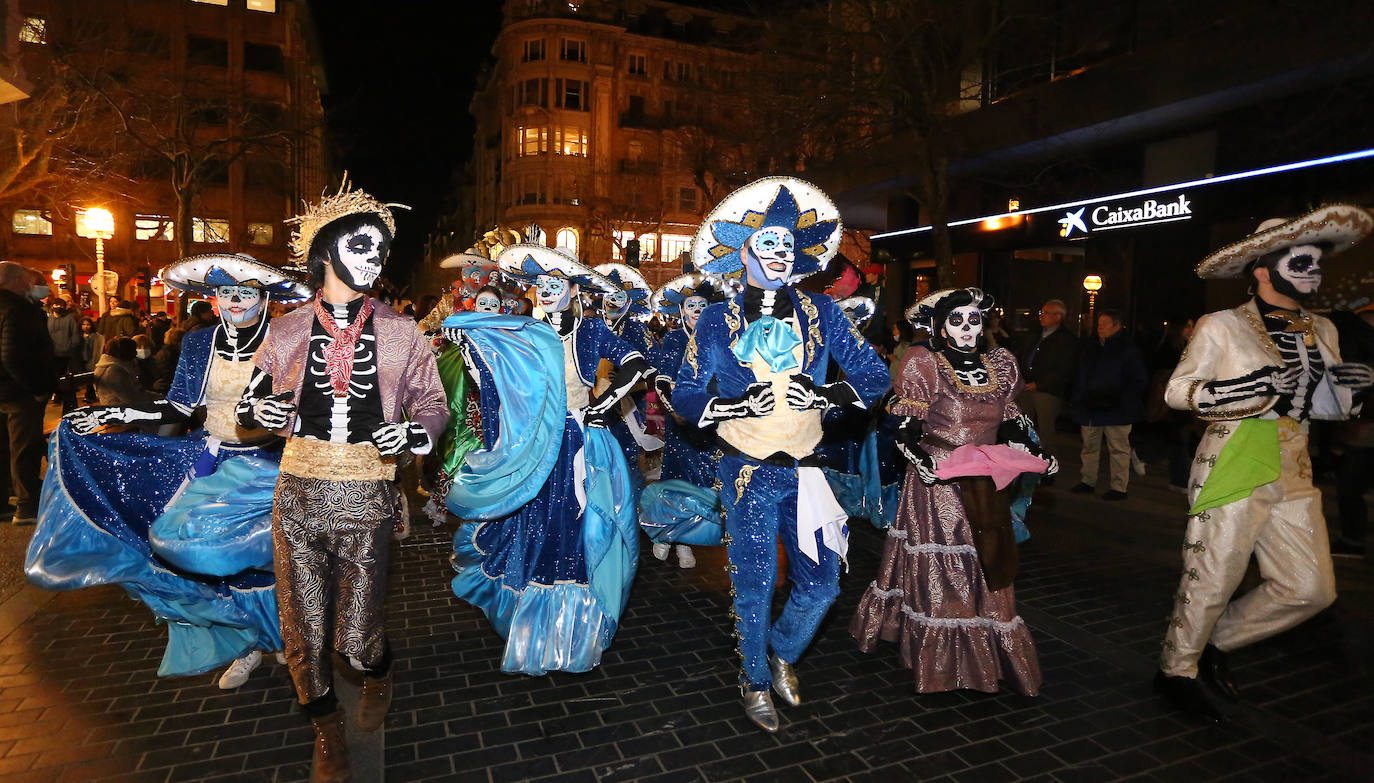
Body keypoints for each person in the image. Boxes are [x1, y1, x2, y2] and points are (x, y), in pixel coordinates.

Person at [236, 183, 447, 781]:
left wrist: (416, 433)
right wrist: (258, 413)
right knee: (302, 630)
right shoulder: (286, 331)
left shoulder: (402, 332)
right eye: (361, 245)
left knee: (355, 637)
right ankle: (326, 730)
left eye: (381, 250)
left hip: (366, 492)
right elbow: (249, 407)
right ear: (325, 251)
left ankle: (379, 672)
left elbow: (433, 403)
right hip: (298, 491)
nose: (375, 258)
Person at [30, 252, 313, 692]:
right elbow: (179, 407)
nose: (235, 301)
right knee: (207, 558)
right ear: (213, 298)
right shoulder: (200, 343)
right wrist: (115, 414)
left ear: (264, 298)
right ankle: (246, 642)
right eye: (225, 292)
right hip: (212, 461)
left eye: (245, 292)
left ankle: (281, 633)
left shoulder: (288, 340)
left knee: (269, 559)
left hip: (272, 464)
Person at [672, 178, 889, 732]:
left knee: (823, 583)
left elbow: (873, 375)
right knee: (755, 581)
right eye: (766, 243)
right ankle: (754, 679)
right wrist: (735, 404)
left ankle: (782, 652)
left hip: (806, 471)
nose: (778, 253)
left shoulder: (823, 312)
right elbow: (686, 394)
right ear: (743, 254)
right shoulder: (715, 320)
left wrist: (825, 394)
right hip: (745, 470)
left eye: (787, 245)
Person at [1153, 205, 1374, 722]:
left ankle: (1215, 641)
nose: (1314, 272)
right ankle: (1176, 669)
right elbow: (1178, 392)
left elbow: (1323, 406)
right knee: (1212, 577)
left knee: (1310, 588)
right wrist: (1248, 388)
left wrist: (1351, 392)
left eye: (1317, 263)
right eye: (1301, 262)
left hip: (1295, 466)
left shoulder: (1323, 327)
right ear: (1262, 270)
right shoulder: (1223, 325)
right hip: (1234, 458)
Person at [445, 241, 650, 679]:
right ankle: (533, 632)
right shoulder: (525, 330)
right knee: (532, 528)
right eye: (541, 285)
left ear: (574, 290)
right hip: (535, 447)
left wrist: (603, 406)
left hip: (576, 446)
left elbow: (637, 364)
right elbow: (496, 380)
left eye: (556, 284)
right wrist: (470, 349)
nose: (548, 291)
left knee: (576, 533)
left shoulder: (590, 331)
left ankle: (573, 635)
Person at [851, 287, 1055, 696]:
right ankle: (944, 660)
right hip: (940, 482)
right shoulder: (925, 364)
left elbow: (1011, 422)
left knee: (988, 560)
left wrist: (1035, 452)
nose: (966, 327)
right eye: (956, 320)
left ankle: (986, 646)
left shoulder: (1000, 366)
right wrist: (921, 460)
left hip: (988, 482)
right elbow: (904, 429)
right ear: (941, 327)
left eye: (973, 320)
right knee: (947, 567)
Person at [641, 273, 728, 568]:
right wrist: (678, 412)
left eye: (703, 305)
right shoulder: (676, 339)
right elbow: (663, 380)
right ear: (682, 310)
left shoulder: (719, 339)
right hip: (682, 425)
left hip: (711, 425)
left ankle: (686, 538)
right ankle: (670, 537)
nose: (697, 311)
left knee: (704, 484)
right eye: (692, 306)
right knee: (678, 481)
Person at [0, 263, 58, 524]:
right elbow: (14, 355)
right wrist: (37, 388)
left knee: (4, 448)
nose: (29, 286)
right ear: (15, 281)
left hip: (6, 389)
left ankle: (4, 502)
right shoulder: (18, 309)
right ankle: (26, 504)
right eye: (26, 281)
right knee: (24, 448)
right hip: (19, 391)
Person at [1069, 310, 1147, 500]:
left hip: (1117, 409)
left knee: (1118, 448)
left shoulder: (1128, 349)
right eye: (1099, 324)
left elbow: (1138, 380)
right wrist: (1079, 398)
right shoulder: (1091, 347)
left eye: (1105, 324)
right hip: (1090, 407)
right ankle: (1088, 480)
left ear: (1117, 326)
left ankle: (1119, 487)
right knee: (1089, 446)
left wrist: (1122, 399)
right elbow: (1081, 375)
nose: (1100, 327)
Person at [1020, 299, 1078, 439]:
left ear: (1058, 316)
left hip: (1047, 391)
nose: (1042, 315)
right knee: (1022, 426)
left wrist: (1039, 384)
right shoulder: (1035, 334)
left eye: (1046, 313)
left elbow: (1064, 369)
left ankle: (1048, 453)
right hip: (1025, 387)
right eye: (1042, 312)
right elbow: (1023, 355)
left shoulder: (1066, 340)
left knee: (1046, 430)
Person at [48, 298, 84, 412]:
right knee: (55, 375)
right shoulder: (49, 319)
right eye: (56, 305)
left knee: (63, 377)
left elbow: (75, 336)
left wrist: (70, 347)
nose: (58, 308)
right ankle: (58, 395)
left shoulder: (69, 319)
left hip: (65, 354)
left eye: (61, 306)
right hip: (52, 353)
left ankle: (63, 397)